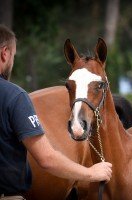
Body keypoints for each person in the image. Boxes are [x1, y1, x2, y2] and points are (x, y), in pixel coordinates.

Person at [0, 24, 112, 200]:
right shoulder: (14, 96)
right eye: (13, 56)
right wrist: (91, 173)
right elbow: (47, 159)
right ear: (4, 53)